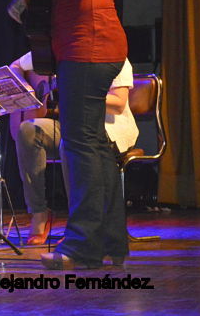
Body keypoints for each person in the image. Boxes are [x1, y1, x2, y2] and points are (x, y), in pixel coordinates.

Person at [5, 0, 130, 269]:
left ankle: (80, 245)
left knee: (80, 145)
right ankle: (109, 242)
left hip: (91, 41)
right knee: (91, 145)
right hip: (71, 43)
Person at [8, 52, 138, 246]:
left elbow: (118, 104)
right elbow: (15, 66)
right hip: (71, 125)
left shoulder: (113, 54)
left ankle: (79, 223)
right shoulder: (57, 49)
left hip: (109, 130)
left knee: (71, 142)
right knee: (28, 130)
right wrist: (28, 90)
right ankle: (39, 213)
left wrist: (79, 94)